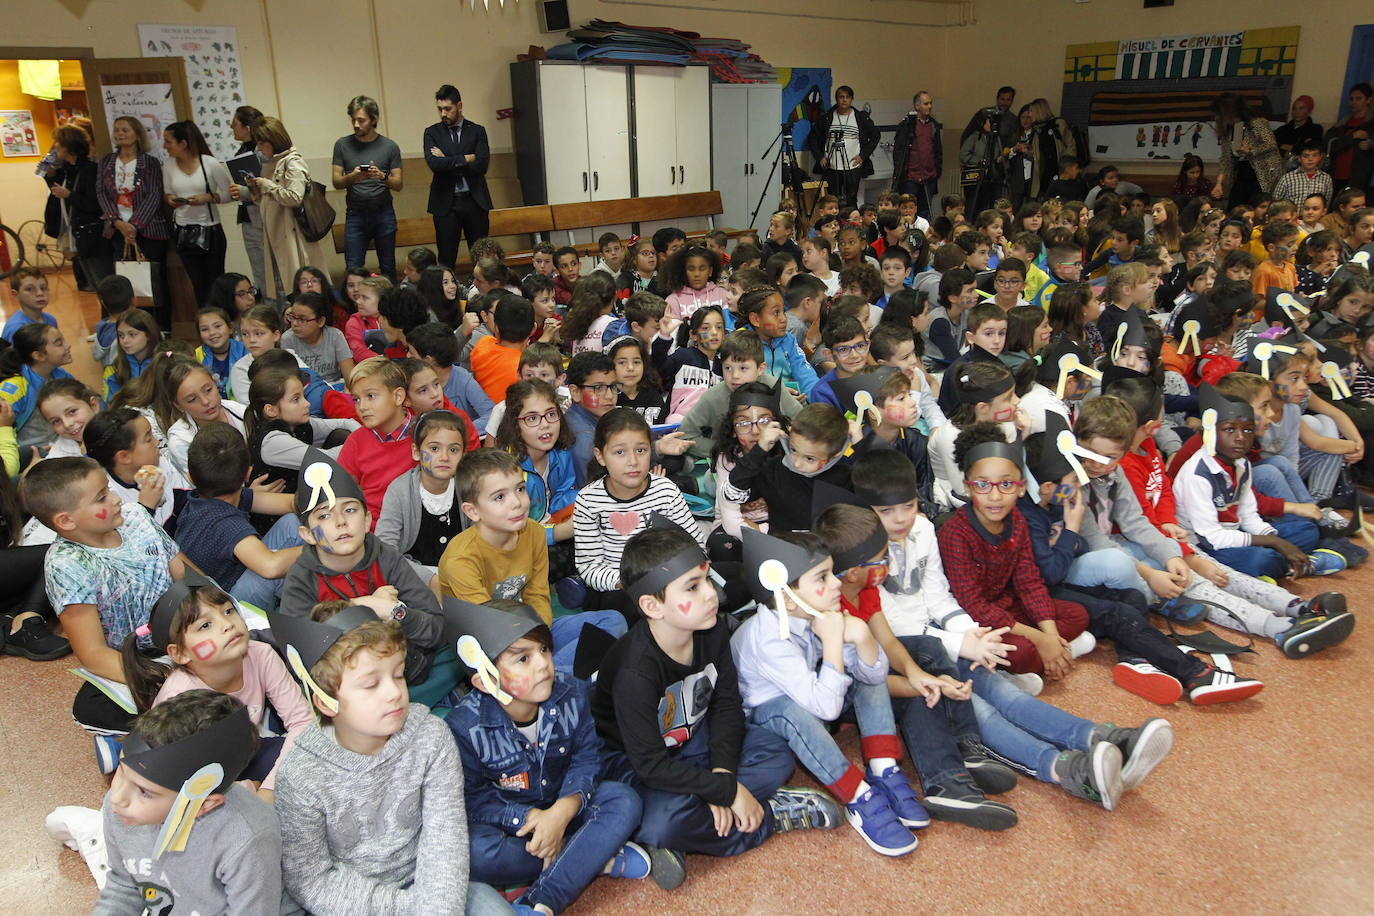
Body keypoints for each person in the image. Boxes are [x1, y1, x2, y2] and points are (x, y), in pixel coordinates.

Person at [591, 523, 841, 879]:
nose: (712, 595)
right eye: (693, 587)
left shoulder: (712, 627)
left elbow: (726, 705)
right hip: (634, 761)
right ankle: (770, 817)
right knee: (660, 821)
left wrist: (722, 775)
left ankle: (699, 821)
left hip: (694, 740)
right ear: (652, 605)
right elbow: (650, 765)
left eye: (707, 579)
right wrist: (726, 790)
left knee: (777, 754)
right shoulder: (635, 672)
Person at [270, 605, 510, 914]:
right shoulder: (300, 776)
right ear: (326, 702)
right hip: (352, 905)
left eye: (398, 675)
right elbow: (312, 881)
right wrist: (406, 909)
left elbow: (445, 844)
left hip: (427, 888)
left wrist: (435, 910)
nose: (394, 693)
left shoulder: (431, 736)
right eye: (371, 684)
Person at [444, 597, 671, 910]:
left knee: (623, 800)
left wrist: (562, 812)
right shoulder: (464, 727)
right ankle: (592, 857)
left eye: (544, 649)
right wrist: (532, 818)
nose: (543, 664)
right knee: (470, 850)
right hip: (515, 825)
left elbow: (587, 758)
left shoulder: (572, 692)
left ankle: (542, 898)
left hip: (567, 806)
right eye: (522, 659)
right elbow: (473, 800)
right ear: (485, 681)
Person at [735, 527, 927, 857]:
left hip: (814, 697)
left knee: (863, 675)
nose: (837, 583)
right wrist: (835, 640)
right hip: (767, 723)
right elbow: (823, 708)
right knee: (787, 710)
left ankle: (883, 768)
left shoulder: (818, 611)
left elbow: (874, 676)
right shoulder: (768, 638)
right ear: (786, 597)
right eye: (822, 577)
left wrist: (864, 637)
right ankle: (858, 797)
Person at [22, 457, 188, 745]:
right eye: (102, 498)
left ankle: (155, 735)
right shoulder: (66, 564)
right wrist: (165, 678)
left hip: (185, 637)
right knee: (92, 705)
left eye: (109, 490)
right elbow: (93, 653)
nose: (115, 500)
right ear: (66, 520)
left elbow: (186, 578)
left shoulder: (137, 516)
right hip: (134, 661)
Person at [97, 691, 286, 914]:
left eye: (144, 792)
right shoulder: (122, 813)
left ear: (203, 804)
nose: (117, 798)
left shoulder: (248, 840)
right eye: (121, 771)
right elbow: (124, 885)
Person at [236, 117, 331, 305]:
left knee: (299, 288)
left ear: (274, 141)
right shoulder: (270, 163)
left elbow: (294, 197)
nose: (260, 148)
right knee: (285, 288)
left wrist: (268, 185)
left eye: (262, 143)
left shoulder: (293, 162)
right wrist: (255, 188)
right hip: (275, 234)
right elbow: (266, 201)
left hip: (292, 234)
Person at [97, 115, 170, 326]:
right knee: (122, 283)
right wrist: (118, 223)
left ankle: (161, 328)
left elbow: (154, 194)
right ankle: (127, 327)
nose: (120, 134)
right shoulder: (106, 162)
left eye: (125, 130)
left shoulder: (150, 163)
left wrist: (135, 226)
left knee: (154, 281)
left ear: (137, 134)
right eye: (117, 130)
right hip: (117, 230)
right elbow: (101, 193)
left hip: (149, 230)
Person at [162, 120, 232, 310]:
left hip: (211, 230)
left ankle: (223, 321)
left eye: (168, 141)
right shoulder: (168, 165)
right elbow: (167, 192)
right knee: (198, 284)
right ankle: (206, 325)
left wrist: (208, 197)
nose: (164, 146)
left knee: (216, 282)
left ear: (183, 143)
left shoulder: (208, 163)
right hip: (184, 231)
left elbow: (230, 193)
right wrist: (172, 200)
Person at [333, 96, 403, 282]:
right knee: (353, 267)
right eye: (353, 120)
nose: (356, 124)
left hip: (384, 212)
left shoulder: (389, 146)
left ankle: (391, 308)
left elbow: (398, 184)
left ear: (373, 120)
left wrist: (382, 177)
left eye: (361, 120)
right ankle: (355, 309)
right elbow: (337, 182)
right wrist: (352, 177)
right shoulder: (342, 145)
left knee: (388, 266)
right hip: (356, 214)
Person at [425, 84, 493, 269]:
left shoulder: (477, 131)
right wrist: (466, 158)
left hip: (474, 200)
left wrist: (448, 159)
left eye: (448, 109)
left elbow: (481, 165)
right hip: (446, 203)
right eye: (440, 109)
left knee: (481, 258)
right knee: (446, 258)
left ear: (459, 106)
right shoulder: (432, 132)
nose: (443, 114)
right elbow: (434, 164)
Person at [47, 124, 110, 289]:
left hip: (94, 236)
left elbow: (96, 204)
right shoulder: (68, 170)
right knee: (94, 283)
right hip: (80, 235)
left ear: (69, 146)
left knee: (104, 283)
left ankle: (111, 315)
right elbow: (55, 190)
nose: (55, 146)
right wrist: (50, 172)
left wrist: (69, 195)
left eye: (58, 143)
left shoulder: (89, 170)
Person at [809, 86, 879, 212]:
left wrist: (863, 156)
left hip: (852, 166)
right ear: (837, 99)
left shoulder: (860, 117)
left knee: (851, 199)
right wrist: (820, 157)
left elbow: (876, 136)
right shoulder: (827, 117)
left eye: (847, 97)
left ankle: (851, 225)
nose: (844, 100)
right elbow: (813, 138)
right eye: (841, 97)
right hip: (832, 166)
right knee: (832, 200)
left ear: (851, 99)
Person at [228, 105, 271, 300]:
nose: (231, 127)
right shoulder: (242, 150)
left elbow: (268, 187)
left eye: (235, 123)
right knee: (259, 272)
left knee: (271, 272)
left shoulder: (262, 152)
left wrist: (244, 190)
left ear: (247, 127)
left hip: (264, 217)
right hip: (248, 216)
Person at [1211, 93, 1282, 209]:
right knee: (1235, 205)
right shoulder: (1232, 129)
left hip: (1262, 172)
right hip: (1243, 171)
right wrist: (1219, 183)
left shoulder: (1257, 123)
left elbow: (1271, 144)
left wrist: (1251, 150)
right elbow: (1226, 159)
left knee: (1258, 205)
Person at [891, 91, 942, 219]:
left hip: (929, 177)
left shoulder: (933, 125)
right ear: (917, 106)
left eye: (930, 103)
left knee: (925, 212)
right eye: (926, 104)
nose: (929, 106)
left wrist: (937, 171)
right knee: (908, 210)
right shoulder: (907, 125)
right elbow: (898, 151)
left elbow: (938, 151)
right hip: (910, 177)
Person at [1324, 83, 1374, 198]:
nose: (1353, 102)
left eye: (1358, 98)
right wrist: (1352, 137)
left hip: (1361, 178)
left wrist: (1371, 145)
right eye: (1351, 99)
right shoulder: (1342, 123)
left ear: (1368, 100)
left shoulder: (1371, 124)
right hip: (1336, 175)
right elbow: (1329, 144)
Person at [1275, 95, 1323, 161]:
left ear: (1308, 111)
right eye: (1294, 108)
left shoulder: (1315, 129)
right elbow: (1272, 145)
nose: (1297, 112)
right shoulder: (1282, 129)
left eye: (1301, 108)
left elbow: (1310, 150)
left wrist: (1284, 146)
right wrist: (1295, 147)